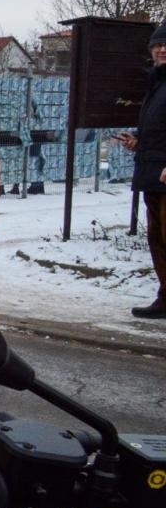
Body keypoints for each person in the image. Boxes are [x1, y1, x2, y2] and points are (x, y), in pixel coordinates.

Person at [113, 21, 166, 317]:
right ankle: (165, 297)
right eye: (157, 45)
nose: (161, 49)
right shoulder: (156, 84)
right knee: (158, 239)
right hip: (151, 172)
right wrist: (138, 141)